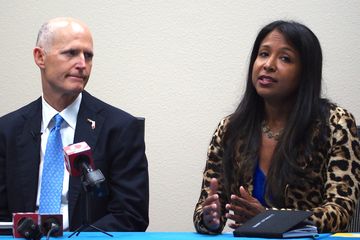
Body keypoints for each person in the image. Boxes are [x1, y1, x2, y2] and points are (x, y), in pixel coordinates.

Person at [193, 20, 360, 234]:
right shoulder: (230, 129)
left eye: (285, 58)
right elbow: (206, 207)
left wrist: (269, 218)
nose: (268, 64)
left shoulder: (336, 123)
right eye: (263, 54)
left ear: (305, 73)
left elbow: (340, 211)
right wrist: (210, 219)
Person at [0, 17, 149, 232]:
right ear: (40, 57)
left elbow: (131, 216)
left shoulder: (120, 129)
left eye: (88, 56)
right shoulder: (7, 131)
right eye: (71, 53)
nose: (82, 64)